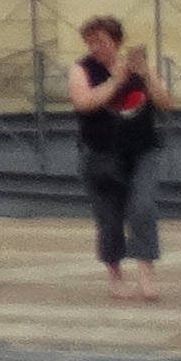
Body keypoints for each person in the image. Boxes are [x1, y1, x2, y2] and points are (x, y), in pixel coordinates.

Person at [70, 16, 163, 298]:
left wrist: (146, 74)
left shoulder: (137, 69)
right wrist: (116, 81)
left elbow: (165, 102)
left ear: (117, 41)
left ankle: (146, 275)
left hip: (141, 150)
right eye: (91, 42)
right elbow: (84, 103)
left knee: (143, 208)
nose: (96, 47)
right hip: (101, 153)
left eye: (102, 41)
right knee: (109, 217)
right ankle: (116, 277)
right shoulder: (82, 69)